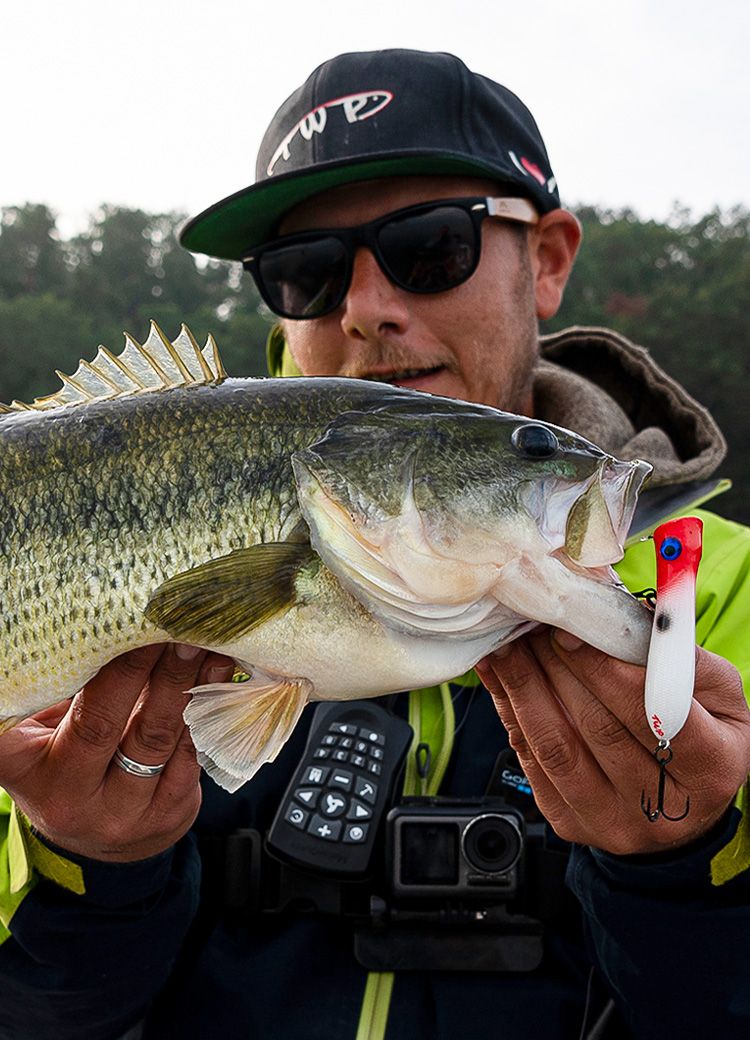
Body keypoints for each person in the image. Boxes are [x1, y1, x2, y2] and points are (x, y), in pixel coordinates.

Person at [0, 48, 748, 1040]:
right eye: (304, 272)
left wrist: (688, 866)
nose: (367, 306)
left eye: (430, 247)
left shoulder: (719, 593)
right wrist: (86, 864)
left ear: (551, 256)